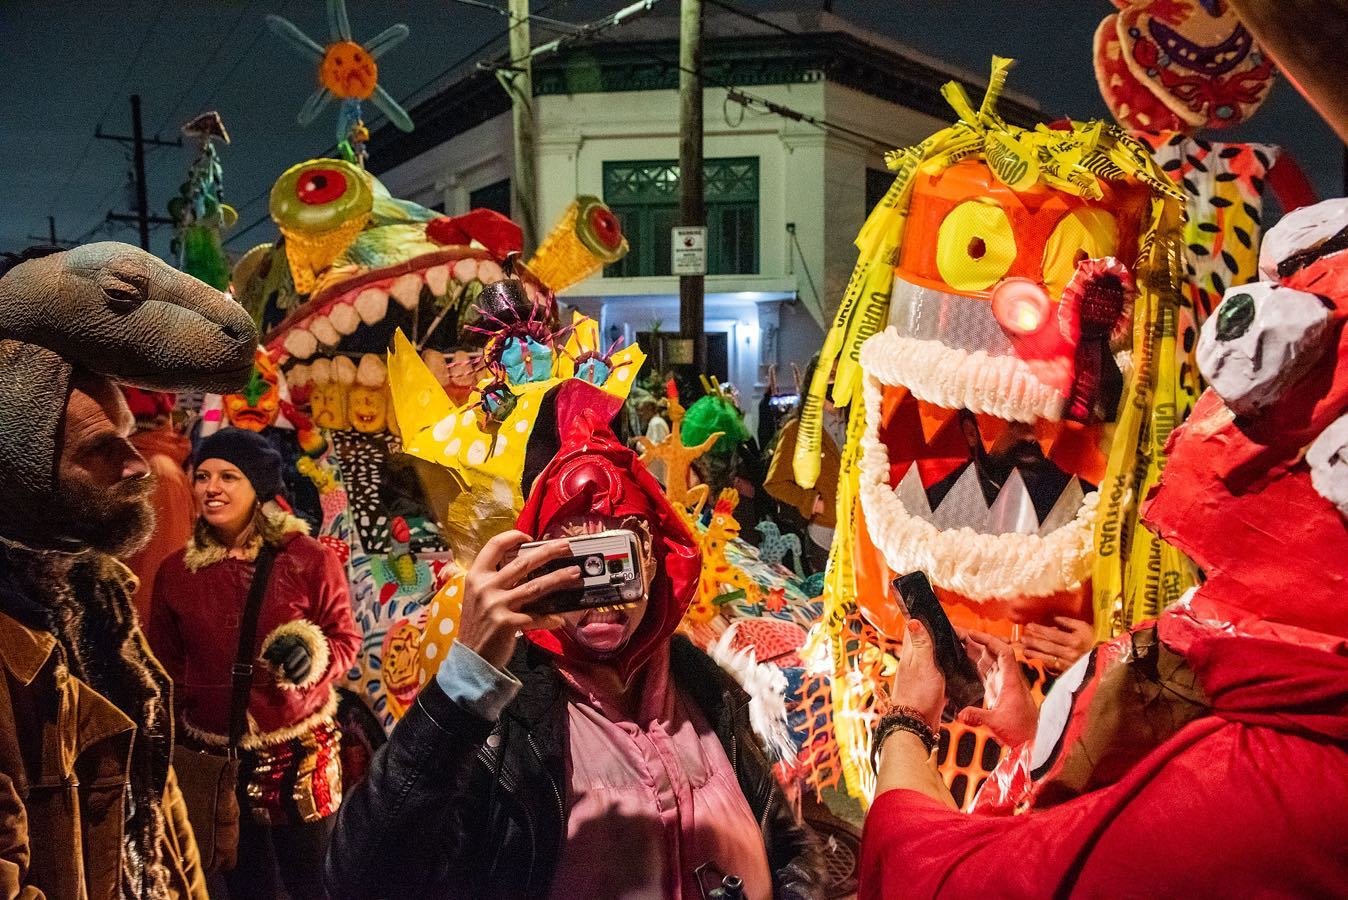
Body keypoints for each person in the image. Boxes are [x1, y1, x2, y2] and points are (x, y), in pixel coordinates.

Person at [326, 380, 821, 899]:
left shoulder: (703, 683)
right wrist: (462, 684)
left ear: (652, 560)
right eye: (571, 564)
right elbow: (360, 880)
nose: (600, 597)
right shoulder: (505, 720)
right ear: (534, 564)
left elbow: (786, 843)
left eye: (613, 561)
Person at [0, 241, 258, 897]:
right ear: (22, 469)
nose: (139, 465)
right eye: (101, 448)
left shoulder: (99, 593)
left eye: (127, 436)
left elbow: (155, 798)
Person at [149, 428, 362, 900]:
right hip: (216, 759)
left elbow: (346, 640)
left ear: (259, 488)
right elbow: (165, 665)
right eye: (202, 476)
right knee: (243, 886)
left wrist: (313, 659)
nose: (211, 488)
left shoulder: (308, 559)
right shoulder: (174, 572)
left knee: (314, 883)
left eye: (229, 476)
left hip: (299, 755)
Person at [764, 357, 842, 573]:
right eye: (831, 377)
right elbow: (775, 483)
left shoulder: (857, 424)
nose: (836, 384)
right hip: (824, 534)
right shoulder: (797, 430)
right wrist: (813, 503)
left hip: (859, 533)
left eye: (840, 375)